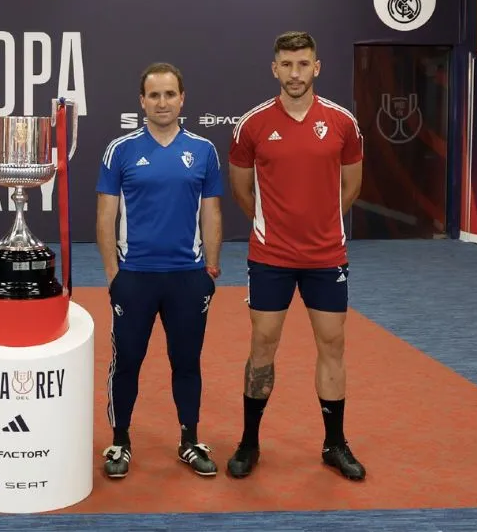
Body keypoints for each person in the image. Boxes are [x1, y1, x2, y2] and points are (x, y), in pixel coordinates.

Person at [226, 31, 366, 480]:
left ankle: (335, 443)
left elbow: (352, 187)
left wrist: (320, 224)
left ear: (316, 67)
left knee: (333, 346)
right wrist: (275, 226)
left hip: (327, 256)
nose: (295, 73)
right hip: (270, 257)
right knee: (262, 346)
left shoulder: (343, 122)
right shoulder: (252, 124)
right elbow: (242, 189)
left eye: (303, 64)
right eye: (286, 65)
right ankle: (249, 443)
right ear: (274, 68)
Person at [95, 62, 224, 479]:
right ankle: (120, 441)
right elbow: (105, 215)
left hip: (188, 277)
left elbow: (213, 211)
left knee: (187, 361)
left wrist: (211, 268)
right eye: (154, 95)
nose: (162, 102)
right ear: (142, 101)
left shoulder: (203, 150)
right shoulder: (121, 149)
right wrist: (114, 273)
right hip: (135, 277)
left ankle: (189, 439)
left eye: (170, 94)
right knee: (127, 360)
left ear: (182, 98)